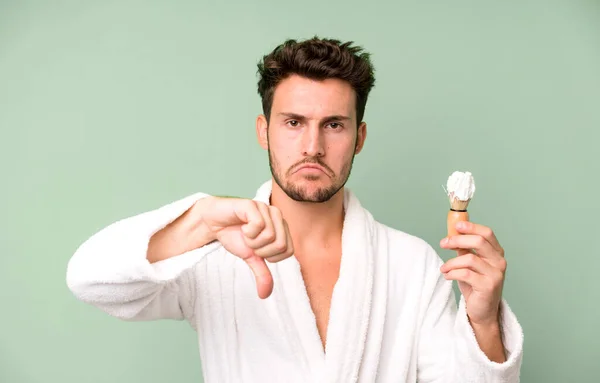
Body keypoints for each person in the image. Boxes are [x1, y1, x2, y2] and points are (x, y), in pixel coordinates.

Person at [66, 36, 523, 382]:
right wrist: (202, 220)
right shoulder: (216, 253)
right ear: (264, 131)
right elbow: (90, 279)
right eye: (293, 123)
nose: (313, 146)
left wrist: (483, 323)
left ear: (359, 138)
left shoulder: (411, 264)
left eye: (334, 125)